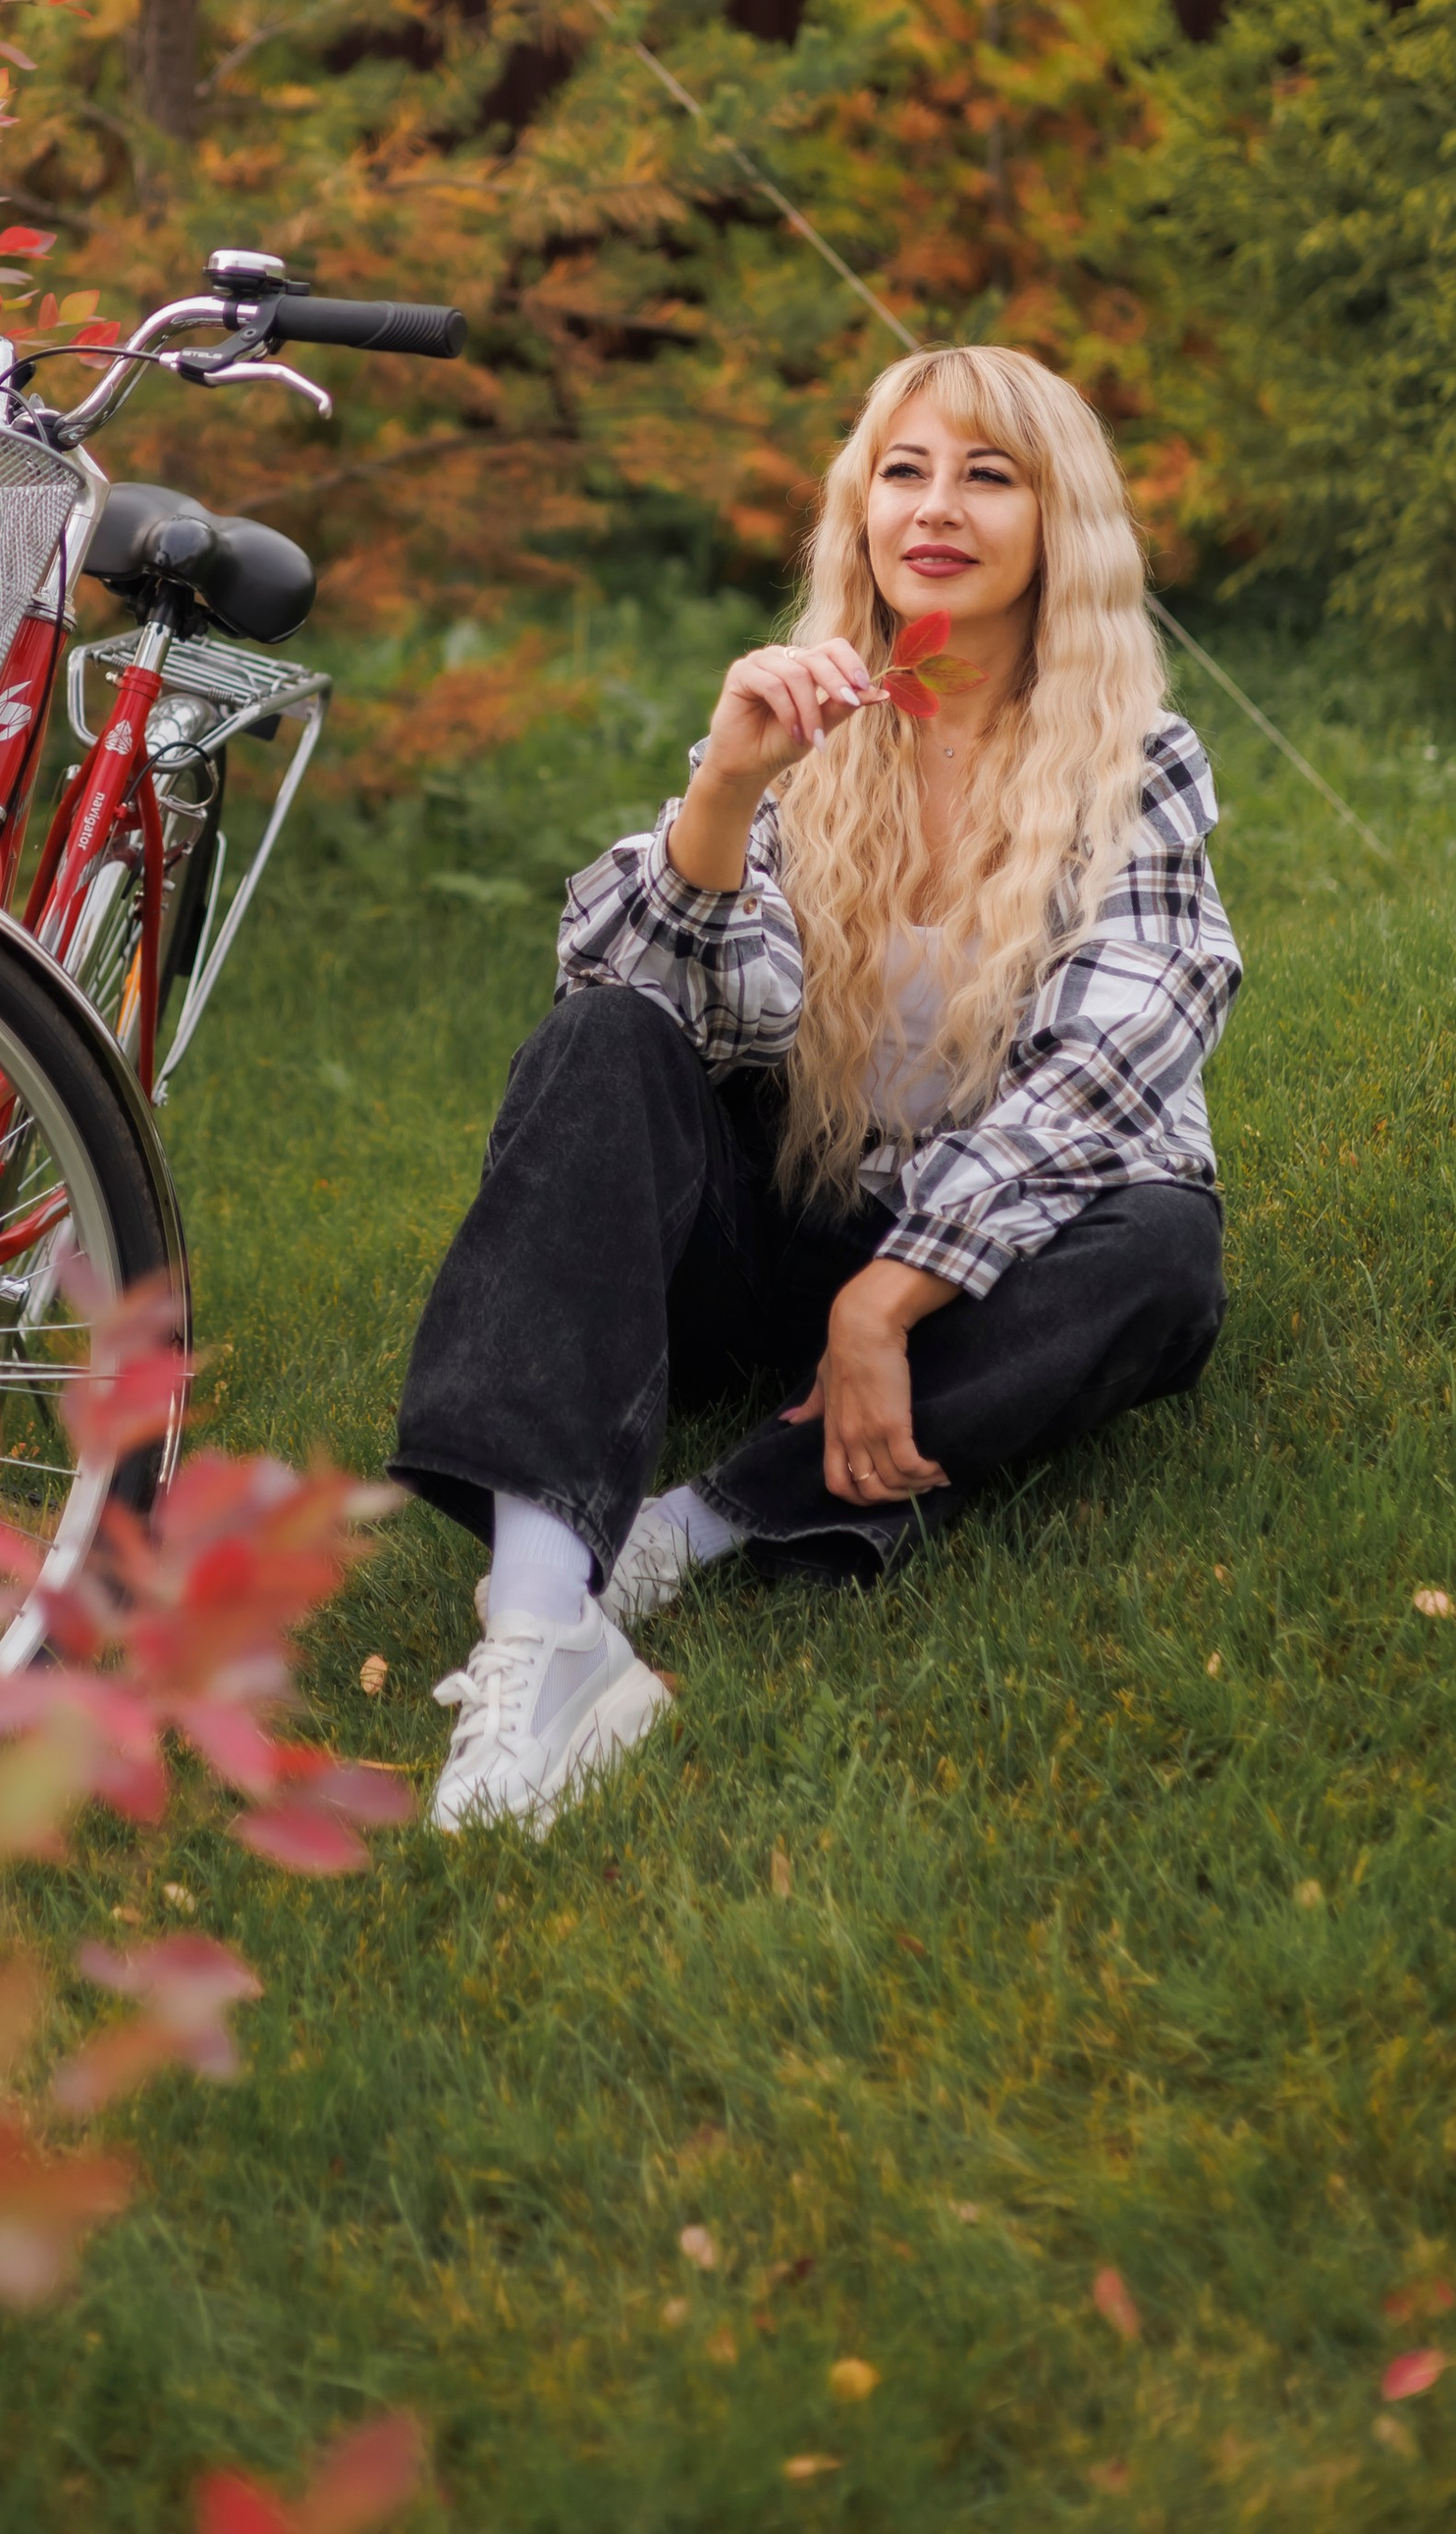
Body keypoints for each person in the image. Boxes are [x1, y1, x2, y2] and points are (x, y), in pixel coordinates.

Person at [390, 345, 1242, 1837]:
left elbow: (1112, 1070)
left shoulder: (1137, 761)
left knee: (1164, 1257)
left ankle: (695, 1524)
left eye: (990, 476)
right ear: (859, 511)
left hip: (990, 1264)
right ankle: (543, 1628)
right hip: (789, 1218)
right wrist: (725, 791)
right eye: (904, 471)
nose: (939, 507)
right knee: (601, 1042)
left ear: (1060, 525)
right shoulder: (813, 725)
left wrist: (891, 1301)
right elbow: (680, 1008)